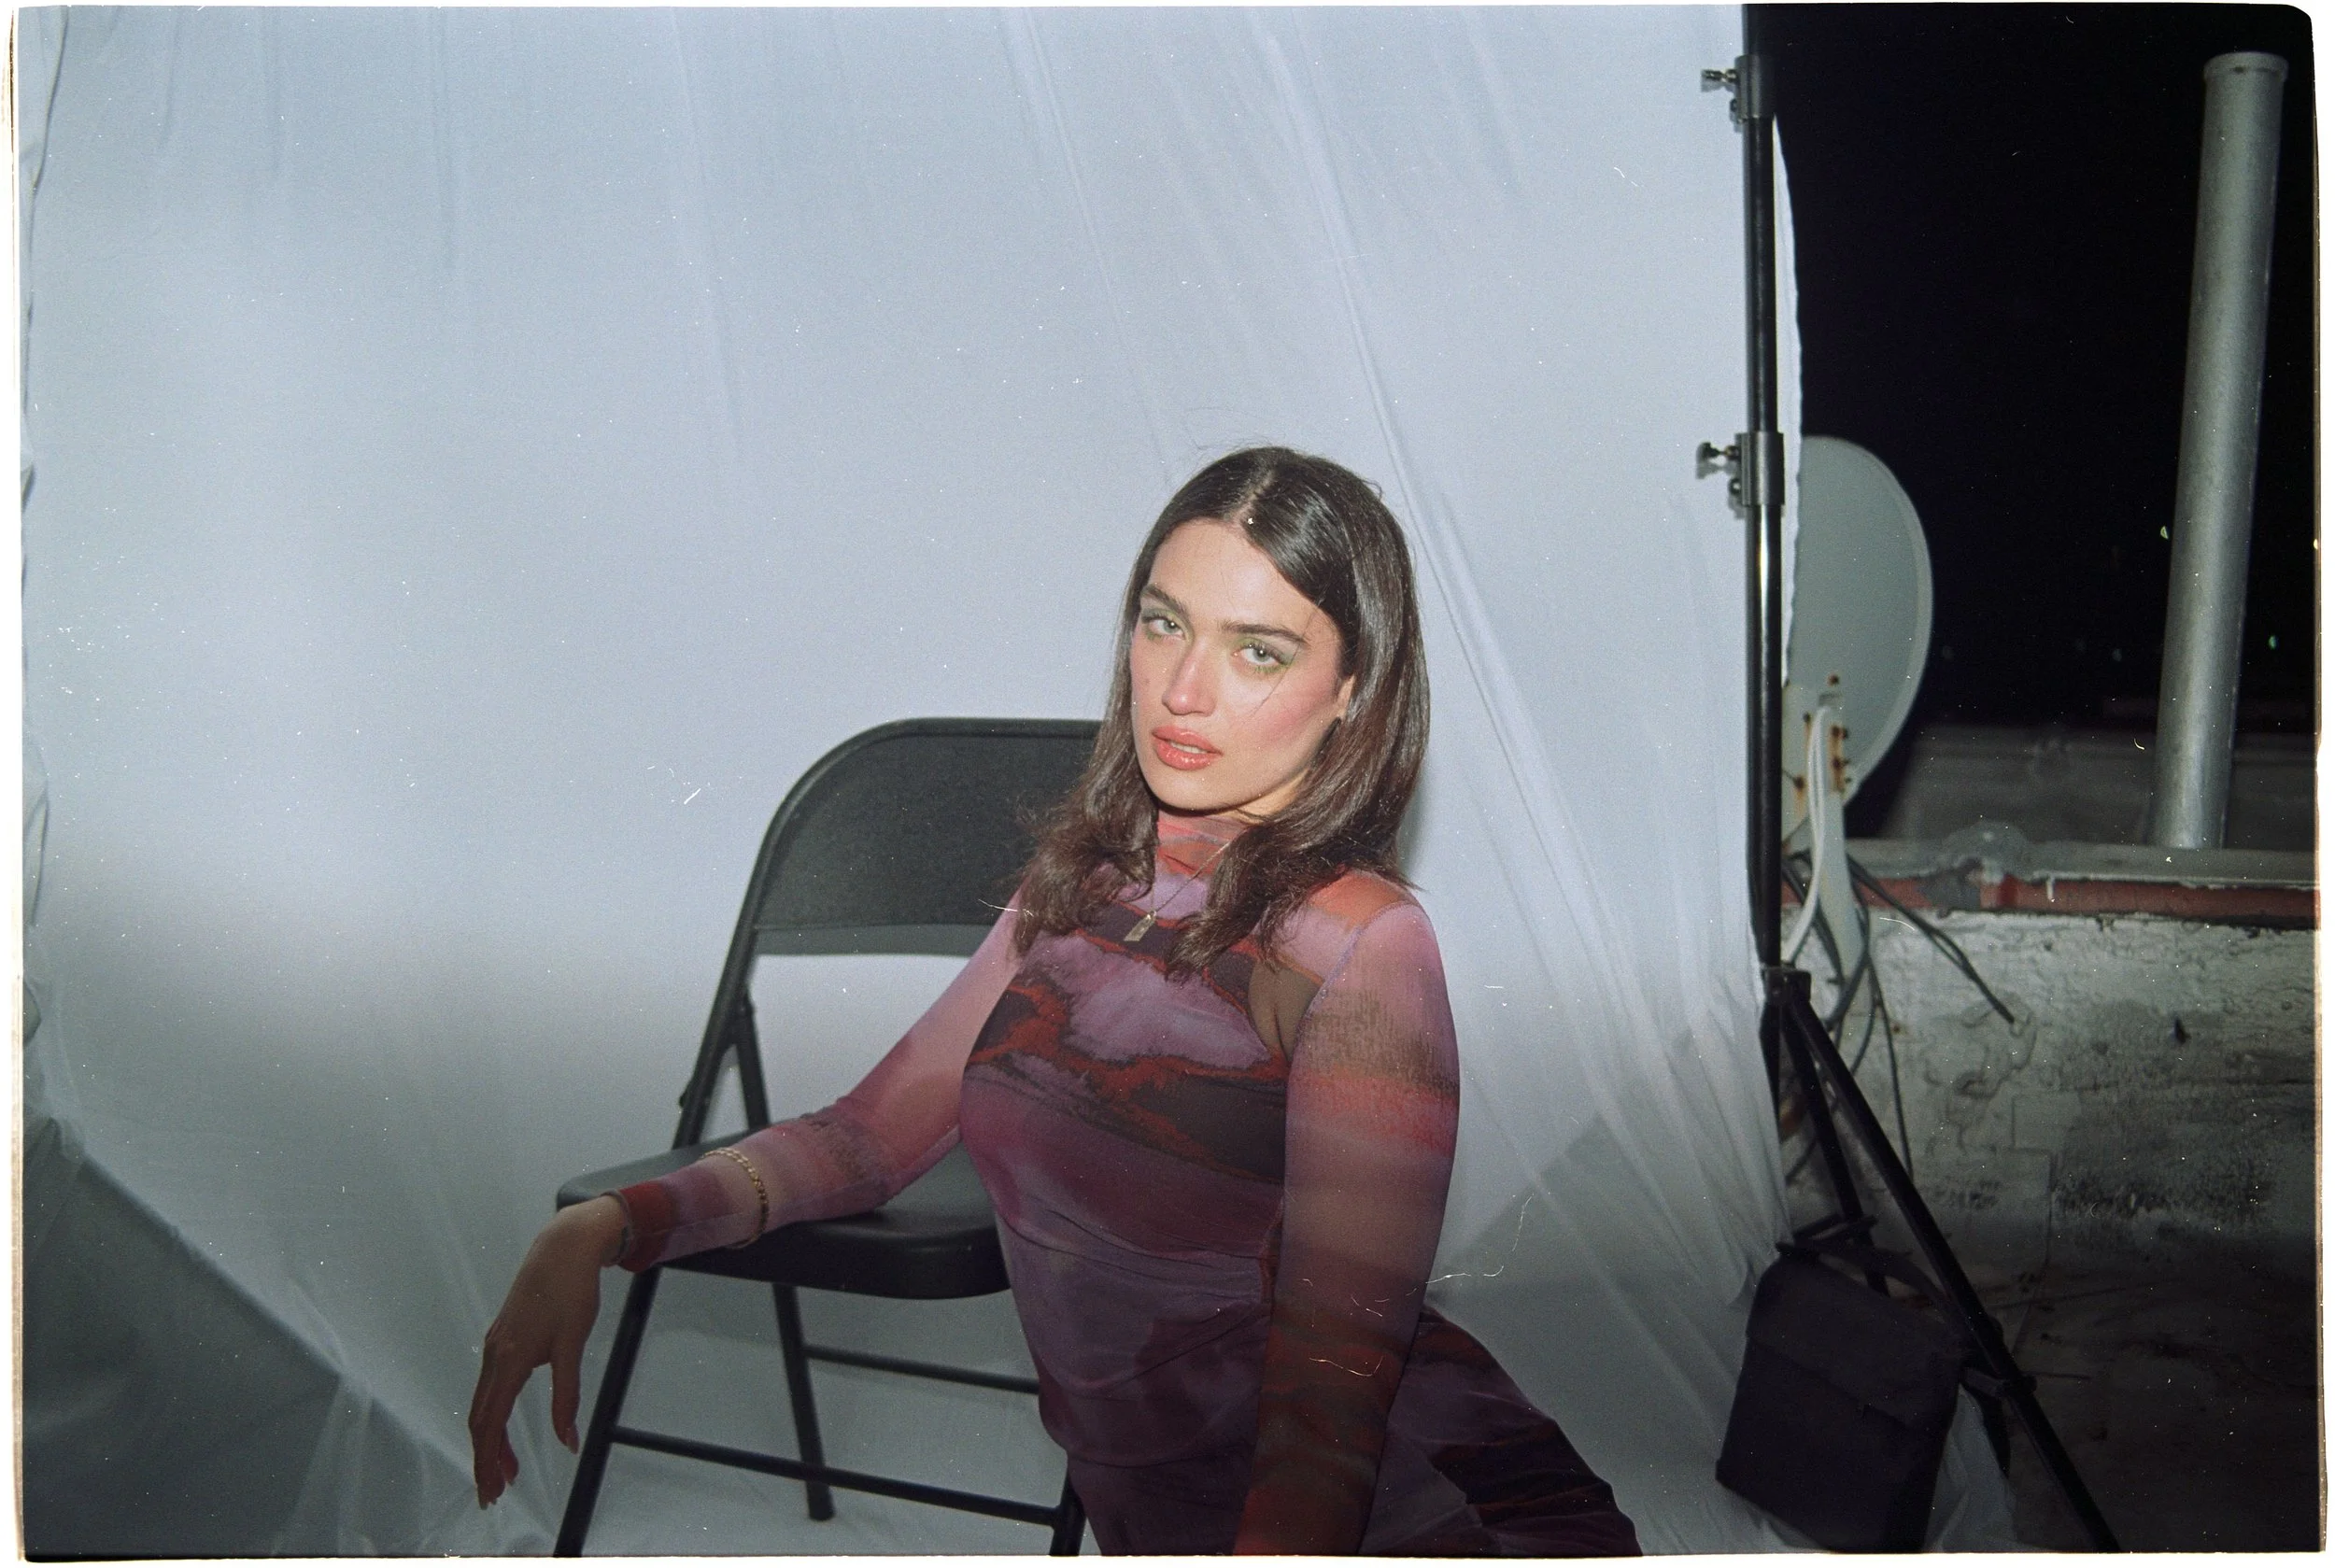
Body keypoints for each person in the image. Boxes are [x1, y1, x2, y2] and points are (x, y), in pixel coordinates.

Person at [469, 447, 1640, 1555]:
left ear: (1354, 691)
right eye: (1163, 621)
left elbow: (1329, 1402)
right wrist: (617, 1220)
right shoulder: (1080, 887)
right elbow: (870, 1136)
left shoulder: (1363, 946)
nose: (1183, 689)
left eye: (1260, 651)